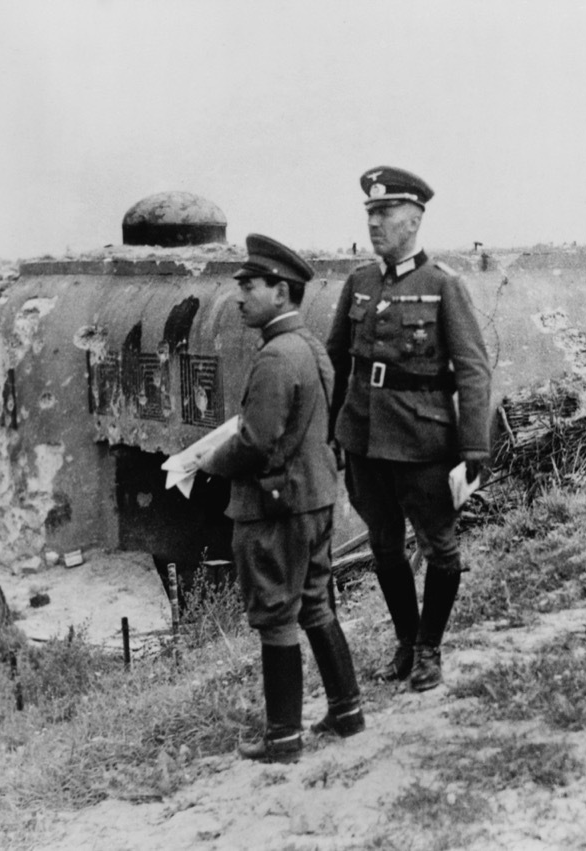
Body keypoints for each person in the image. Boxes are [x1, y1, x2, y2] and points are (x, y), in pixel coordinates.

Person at [199, 234, 363, 763]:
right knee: (315, 603)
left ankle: (284, 738)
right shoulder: (310, 347)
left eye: (249, 286)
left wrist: (206, 461)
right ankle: (347, 711)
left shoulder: (275, 356)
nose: (240, 296)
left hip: (277, 507)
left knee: (276, 614)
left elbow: (256, 442)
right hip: (313, 499)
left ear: (281, 291)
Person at [326, 167, 492, 690]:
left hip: (422, 440)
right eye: (371, 213)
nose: (376, 223)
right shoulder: (359, 282)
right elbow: (335, 359)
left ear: (414, 219)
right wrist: (333, 431)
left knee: (441, 548)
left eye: (386, 213)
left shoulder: (443, 284)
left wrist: (474, 445)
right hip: (364, 437)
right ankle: (405, 641)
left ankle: (429, 649)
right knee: (384, 545)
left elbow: (473, 368)